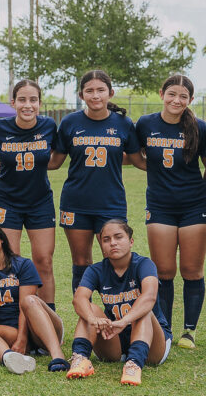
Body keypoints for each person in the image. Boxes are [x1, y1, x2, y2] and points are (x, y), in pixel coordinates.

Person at [132, 74, 206, 349]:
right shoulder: (146, 124)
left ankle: (189, 331)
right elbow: (134, 155)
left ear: (190, 100)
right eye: (172, 94)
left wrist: (205, 201)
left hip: (195, 206)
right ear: (161, 94)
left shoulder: (200, 128)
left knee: (191, 270)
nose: (176, 100)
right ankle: (164, 328)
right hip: (160, 206)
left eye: (183, 96)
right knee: (164, 271)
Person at [55, 69, 140, 292]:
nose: (95, 95)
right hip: (76, 202)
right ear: (81, 95)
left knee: (115, 261)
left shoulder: (123, 123)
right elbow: (55, 161)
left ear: (110, 93)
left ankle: (117, 320)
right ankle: (87, 318)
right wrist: (12, 159)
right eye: (89, 91)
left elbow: (136, 159)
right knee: (81, 263)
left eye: (101, 90)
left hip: (111, 203)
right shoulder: (70, 122)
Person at [0, 79, 60, 308]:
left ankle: (49, 317)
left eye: (33, 100)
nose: (28, 105)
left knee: (44, 260)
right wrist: (1, 159)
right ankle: (16, 317)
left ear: (40, 103)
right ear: (13, 102)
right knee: (10, 261)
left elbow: (57, 155)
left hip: (40, 200)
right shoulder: (0, 127)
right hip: (7, 200)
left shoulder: (48, 126)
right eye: (23, 100)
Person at [66, 219, 171, 386]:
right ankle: (80, 358)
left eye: (118, 237)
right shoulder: (95, 270)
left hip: (152, 342)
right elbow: (79, 299)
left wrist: (124, 320)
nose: (112, 243)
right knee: (90, 308)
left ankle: (134, 365)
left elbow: (149, 297)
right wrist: (94, 320)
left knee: (142, 311)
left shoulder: (144, 264)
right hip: (114, 337)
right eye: (106, 239)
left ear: (130, 242)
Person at [0, 220, 67, 374]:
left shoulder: (23, 264)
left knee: (29, 300)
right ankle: (11, 358)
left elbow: (24, 306)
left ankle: (57, 357)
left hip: (38, 327)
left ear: (1, 238)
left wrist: (22, 339)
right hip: (11, 333)